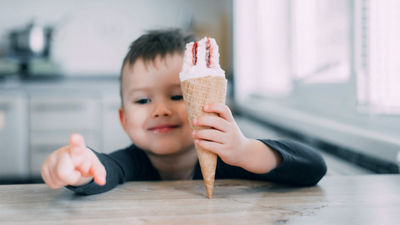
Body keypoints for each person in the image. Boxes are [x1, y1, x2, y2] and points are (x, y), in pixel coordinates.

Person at [41, 29, 327, 195]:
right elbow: (103, 170)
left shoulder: (231, 160)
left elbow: (313, 166)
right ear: (123, 120)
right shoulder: (130, 163)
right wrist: (80, 168)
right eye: (142, 101)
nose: (161, 110)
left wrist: (245, 151)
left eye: (178, 96)